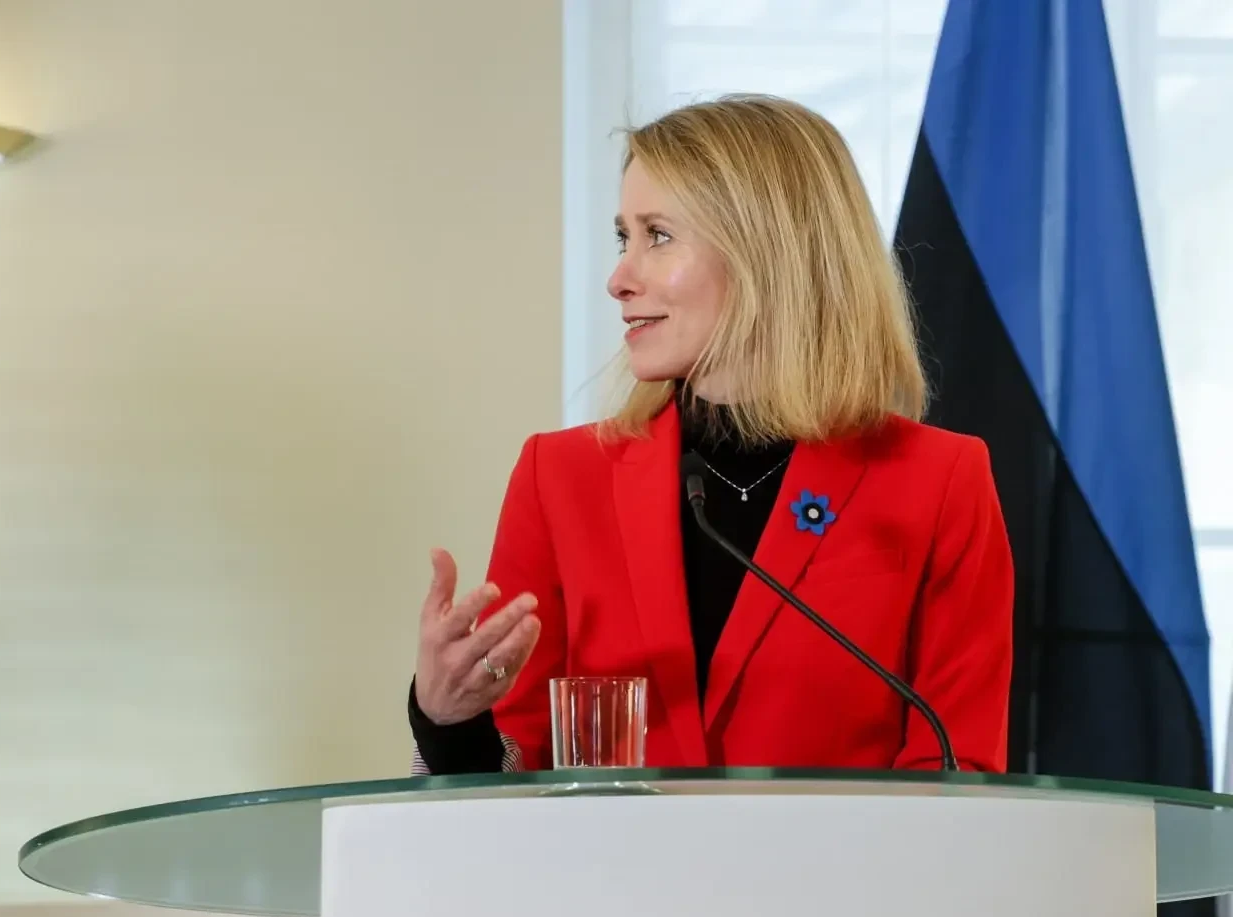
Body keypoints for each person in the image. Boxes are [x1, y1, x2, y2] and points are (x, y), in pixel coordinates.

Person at [408, 94, 1013, 775]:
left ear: (768, 253)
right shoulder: (560, 476)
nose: (618, 279)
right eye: (624, 238)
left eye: (658, 236)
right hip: (610, 852)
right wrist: (448, 721)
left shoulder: (940, 480)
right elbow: (515, 772)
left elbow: (956, 768)